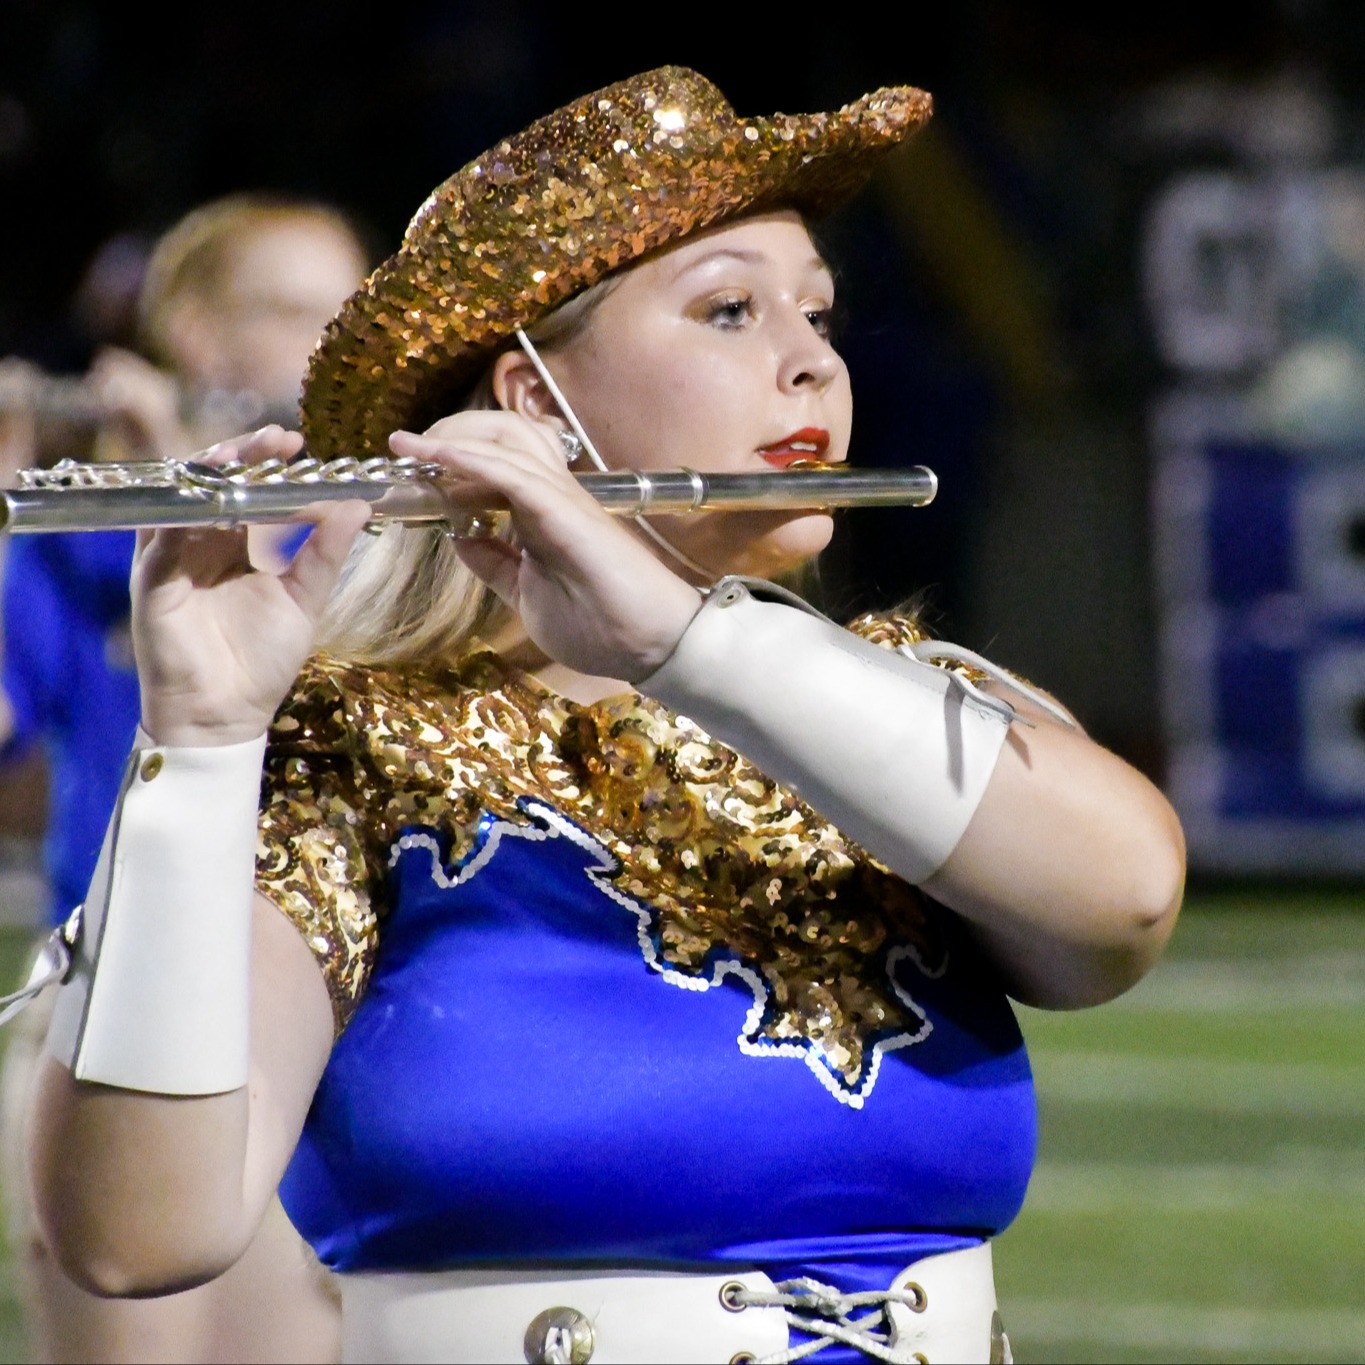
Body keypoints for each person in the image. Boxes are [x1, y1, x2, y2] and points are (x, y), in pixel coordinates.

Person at [18, 68, 1185, 1364]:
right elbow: (137, 1232)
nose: (811, 359)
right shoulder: (345, 752)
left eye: (817, 311)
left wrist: (680, 642)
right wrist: (198, 741)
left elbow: (1123, 901)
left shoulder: (913, 707)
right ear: (531, 403)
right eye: (730, 311)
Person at [0, 191, 371, 1363]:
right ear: (201, 337)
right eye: (305, 311)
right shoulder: (86, 534)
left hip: (315, 1004)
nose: (342, 339)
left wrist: (186, 483)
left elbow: (328, 684)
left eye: (354, 309)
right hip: (110, 1000)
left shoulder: (365, 523)